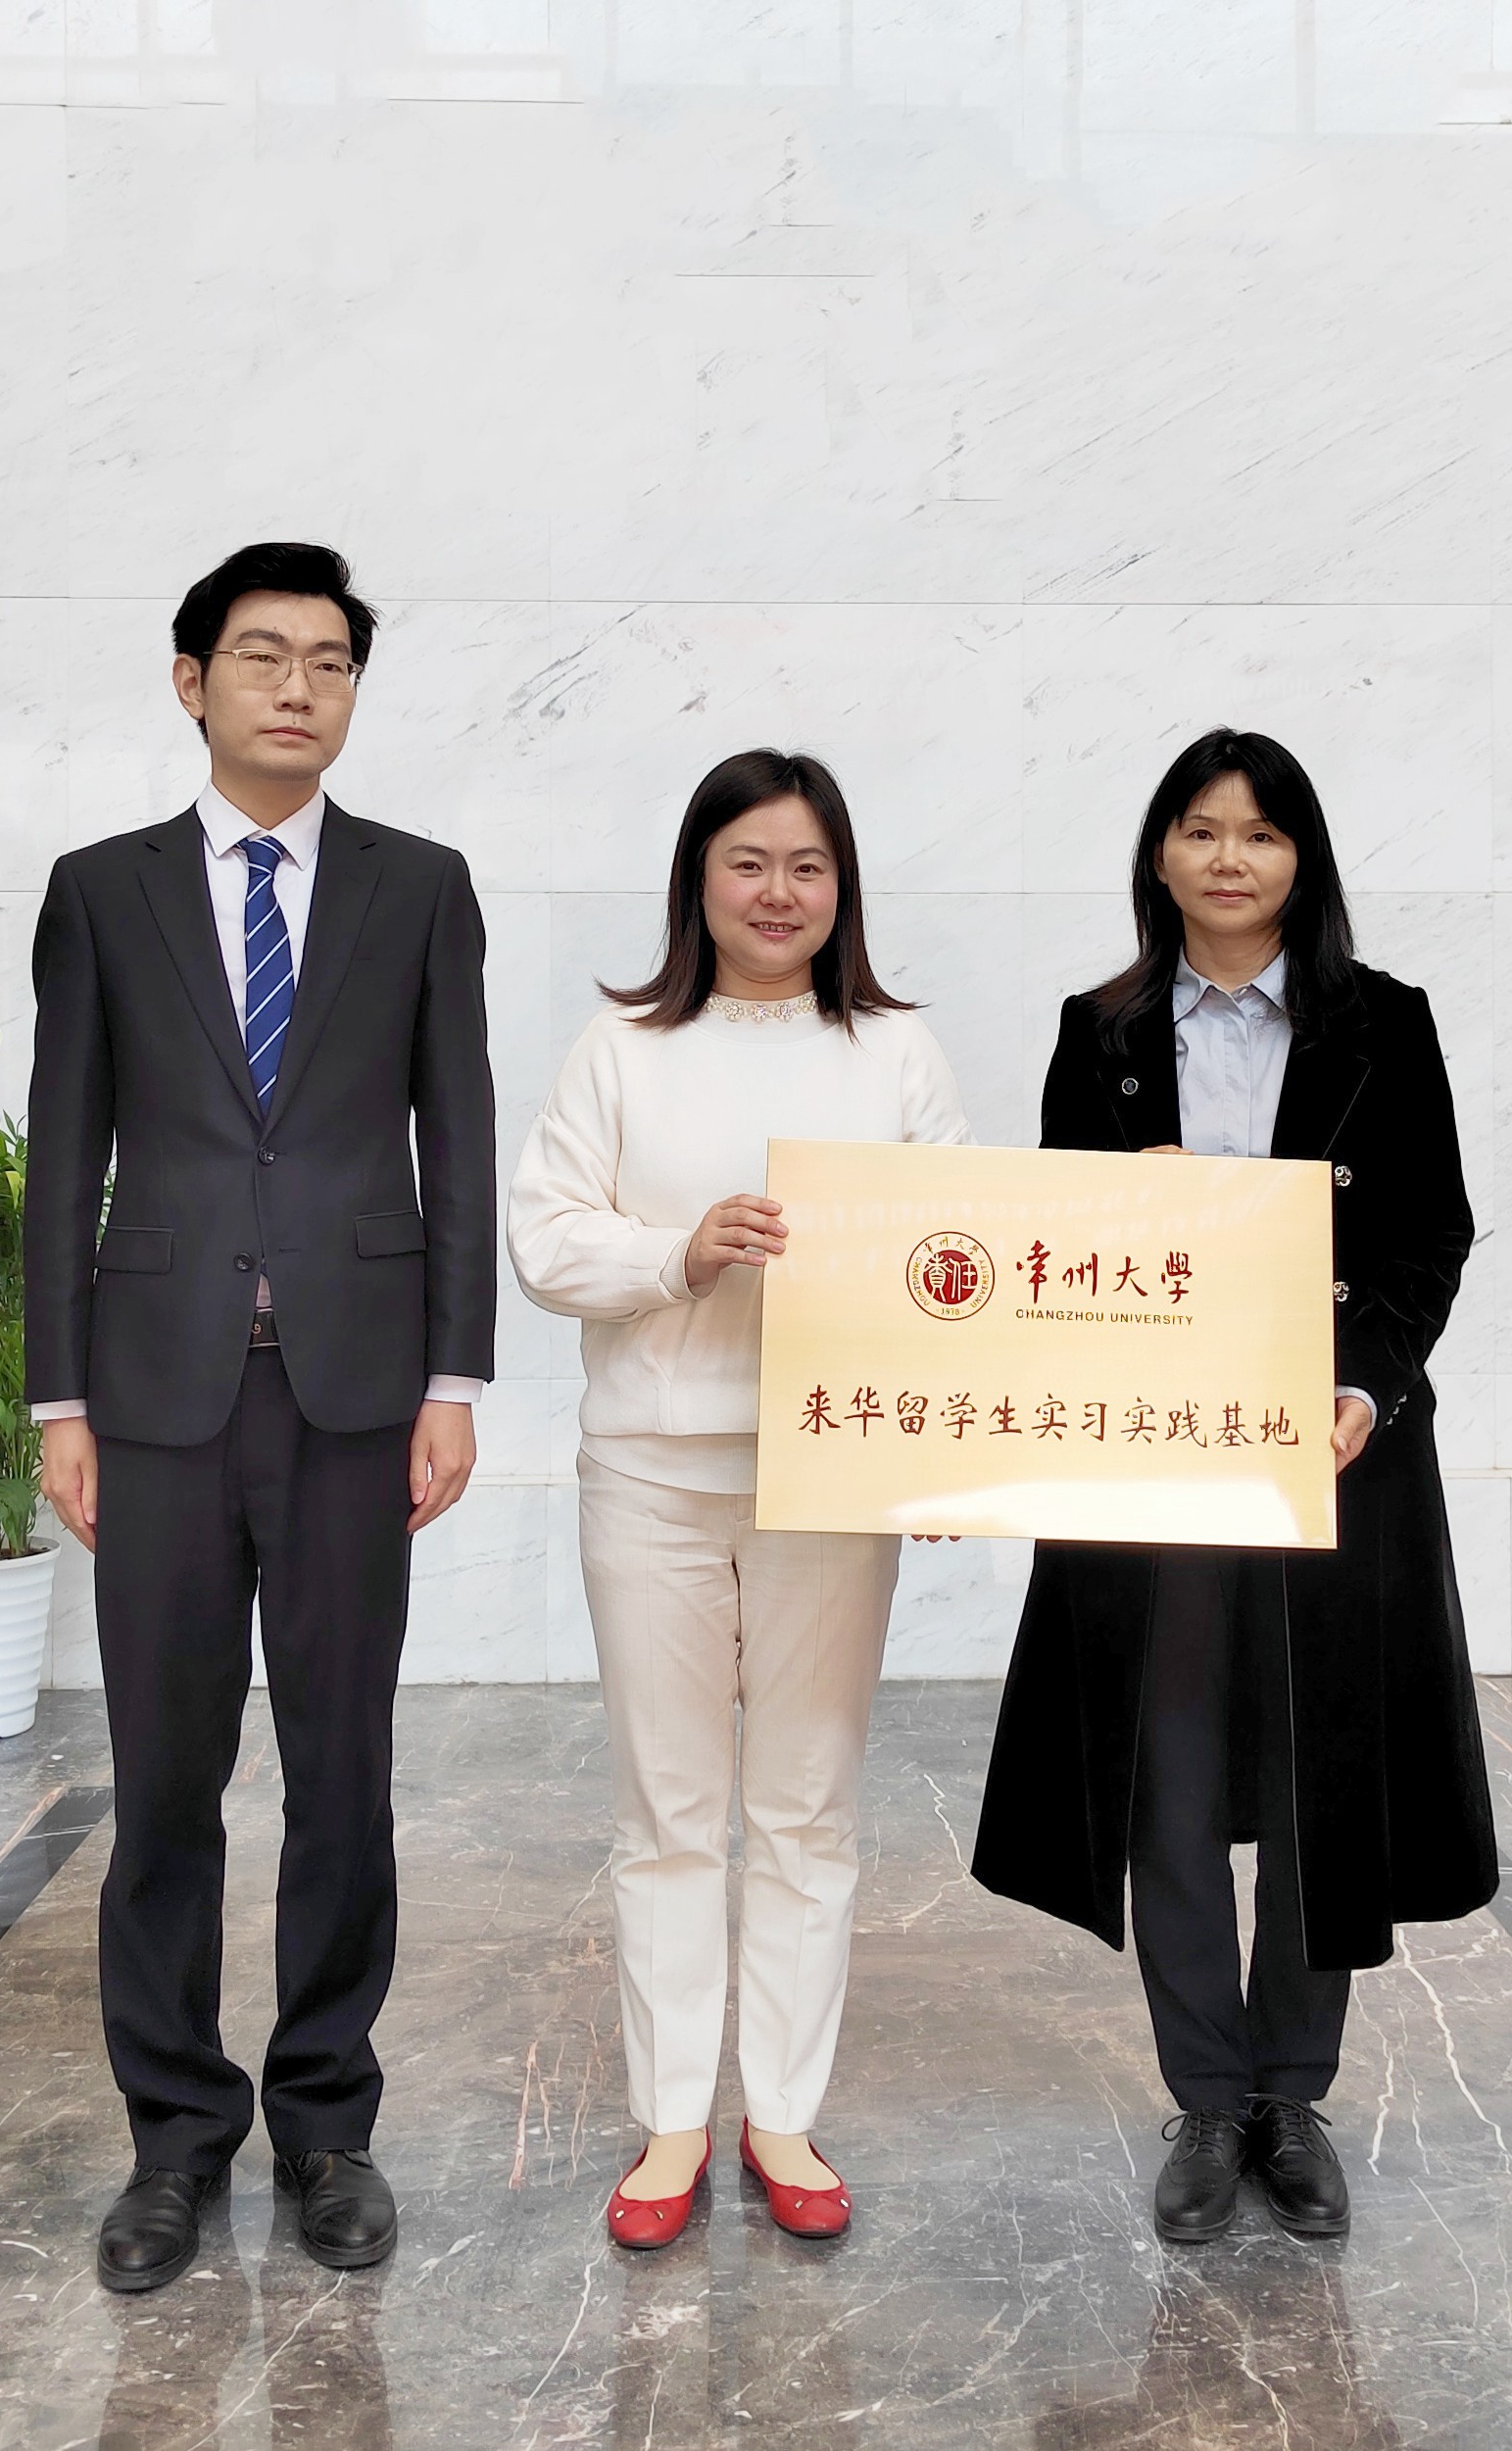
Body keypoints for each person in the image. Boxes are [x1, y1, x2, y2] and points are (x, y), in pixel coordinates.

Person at [24, 541, 496, 2289]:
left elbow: (461, 1131)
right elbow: (63, 1146)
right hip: (154, 1392)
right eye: (263, 655)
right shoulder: (103, 890)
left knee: (343, 1769)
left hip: (357, 1391)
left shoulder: (420, 885)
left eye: (330, 662)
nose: (299, 687)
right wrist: (58, 1398)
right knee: (164, 1777)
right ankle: (172, 2135)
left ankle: (326, 2122)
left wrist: (454, 1381)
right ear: (192, 681)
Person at [970, 727, 1496, 2246]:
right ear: (1160, 852)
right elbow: (1057, 1246)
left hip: (1330, 1450)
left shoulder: (1385, 1022)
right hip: (1150, 1456)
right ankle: (1206, 2092)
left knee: (1323, 1760)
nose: (1227, 858)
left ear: (1300, 859)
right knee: (1174, 1768)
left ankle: (1291, 2092)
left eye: (1259, 834)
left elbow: (1429, 1233)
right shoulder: (1101, 1030)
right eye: (1199, 829)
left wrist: (1364, 1384)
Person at [506, 750, 969, 2248]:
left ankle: (781, 2112)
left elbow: (959, 1266)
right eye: (749, 862)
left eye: (808, 866)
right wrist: (680, 1252)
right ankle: (669, 2122)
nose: (780, 893)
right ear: (698, 878)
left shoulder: (894, 1053)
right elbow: (544, 1239)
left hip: (829, 1474)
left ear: (844, 888)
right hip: (652, 1470)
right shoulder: (622, 1047)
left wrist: (940, 1453)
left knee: (806, 1805)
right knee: (669, 1808)